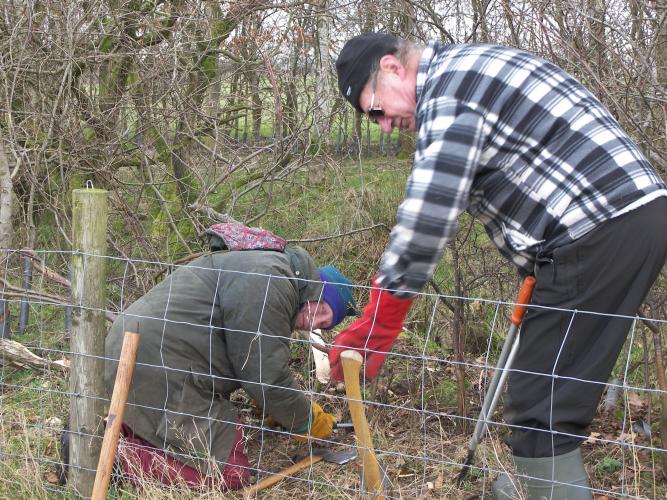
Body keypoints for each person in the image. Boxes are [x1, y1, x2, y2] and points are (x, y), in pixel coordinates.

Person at [330, 32, 667, 499]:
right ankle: (526, 488)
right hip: (621, 219)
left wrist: (377, 325)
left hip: (598, 230)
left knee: (539, 413)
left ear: (391, 67)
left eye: (375, 110)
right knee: (546, 398)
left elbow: (428, 215)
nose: (383, 125)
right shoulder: (474, 66)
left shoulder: (449, 90)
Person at [104, 245, 355, 491]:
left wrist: (271, 403)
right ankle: (110, 455)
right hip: (158, 363)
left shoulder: (270, 270)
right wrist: (306, 420)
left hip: (142, 352)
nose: (316, 323)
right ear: (314, 288)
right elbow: (264, 376)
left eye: (325, 323)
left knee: (227, 432)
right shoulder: (272, 281)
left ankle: (117, 428)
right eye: (322, 310)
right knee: (230, 472)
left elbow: (246, 352)